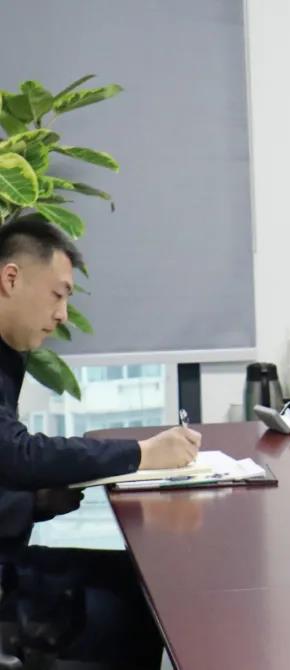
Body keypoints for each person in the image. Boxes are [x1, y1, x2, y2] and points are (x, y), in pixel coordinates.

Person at [0, 215, 202, 666]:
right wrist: (142, 454)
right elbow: (17, 454)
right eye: (58, 294)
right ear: (11, 279)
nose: (61, 315)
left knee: (142, 582)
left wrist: (36, 503)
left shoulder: (9, 355)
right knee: (131, 607)